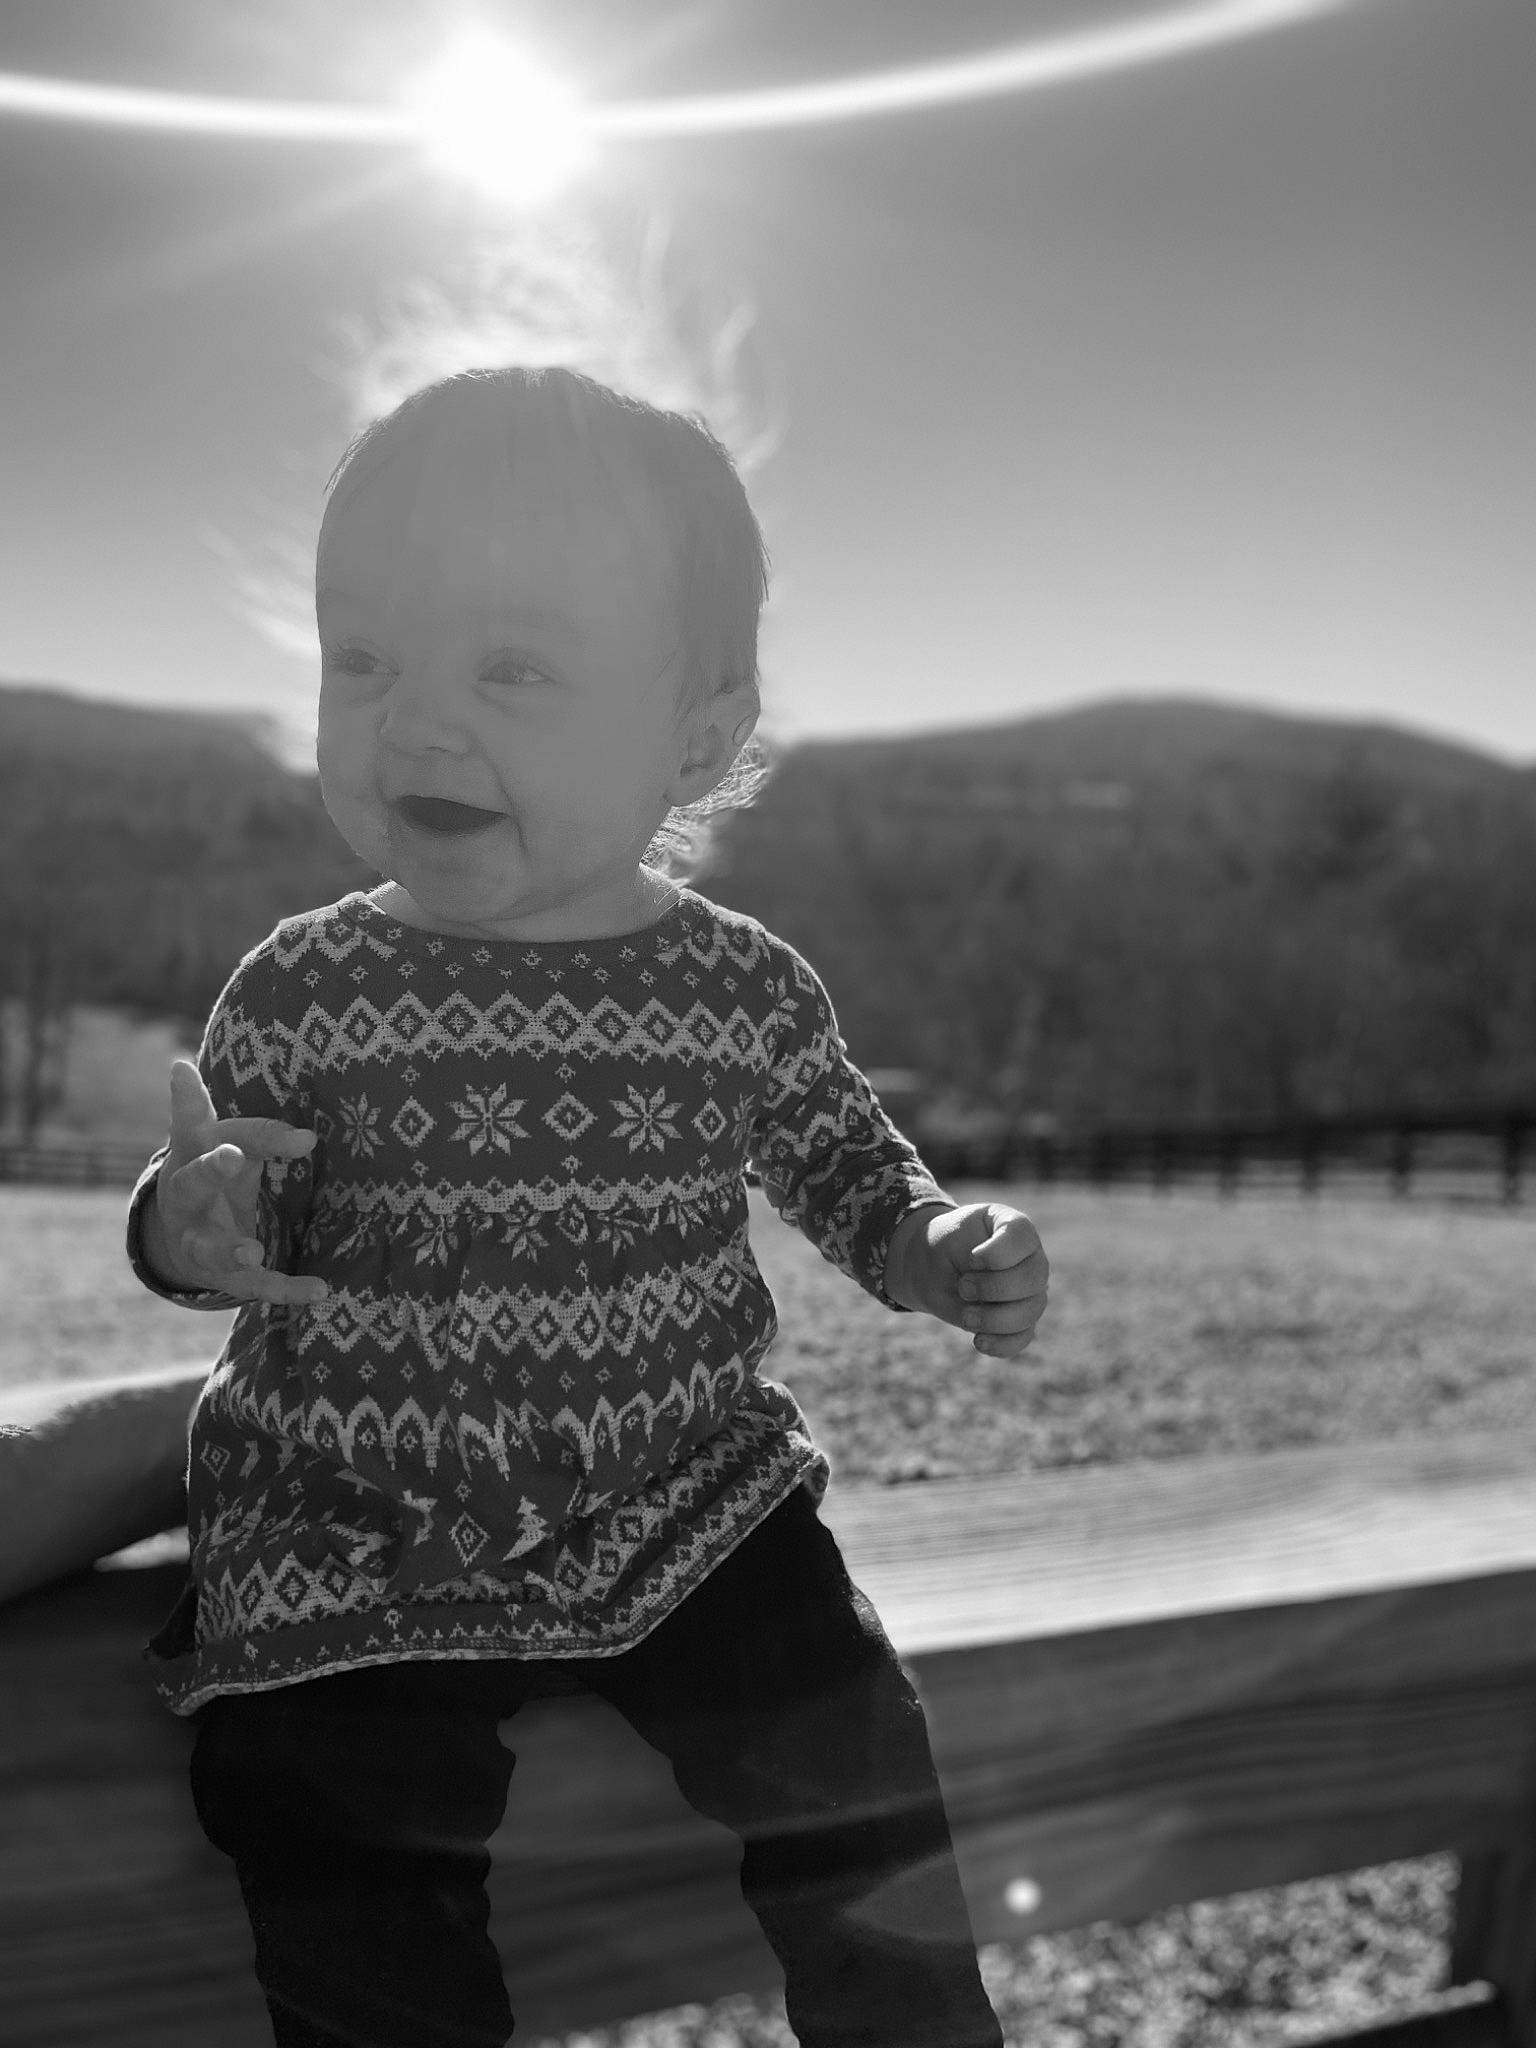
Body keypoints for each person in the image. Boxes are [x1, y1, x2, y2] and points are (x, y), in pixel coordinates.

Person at [126, 364, 1050, 2048]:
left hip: (680, 1483)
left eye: (517, 668)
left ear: (696, 736)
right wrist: (183, 1237)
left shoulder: (736, 988)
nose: (416, 724)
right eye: (364, 661)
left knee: (847, 1752)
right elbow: (239, 1214)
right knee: (325, 1814)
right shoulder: (311, 986)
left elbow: (845, 1161)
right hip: (364, 1509)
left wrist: (930, 1244)